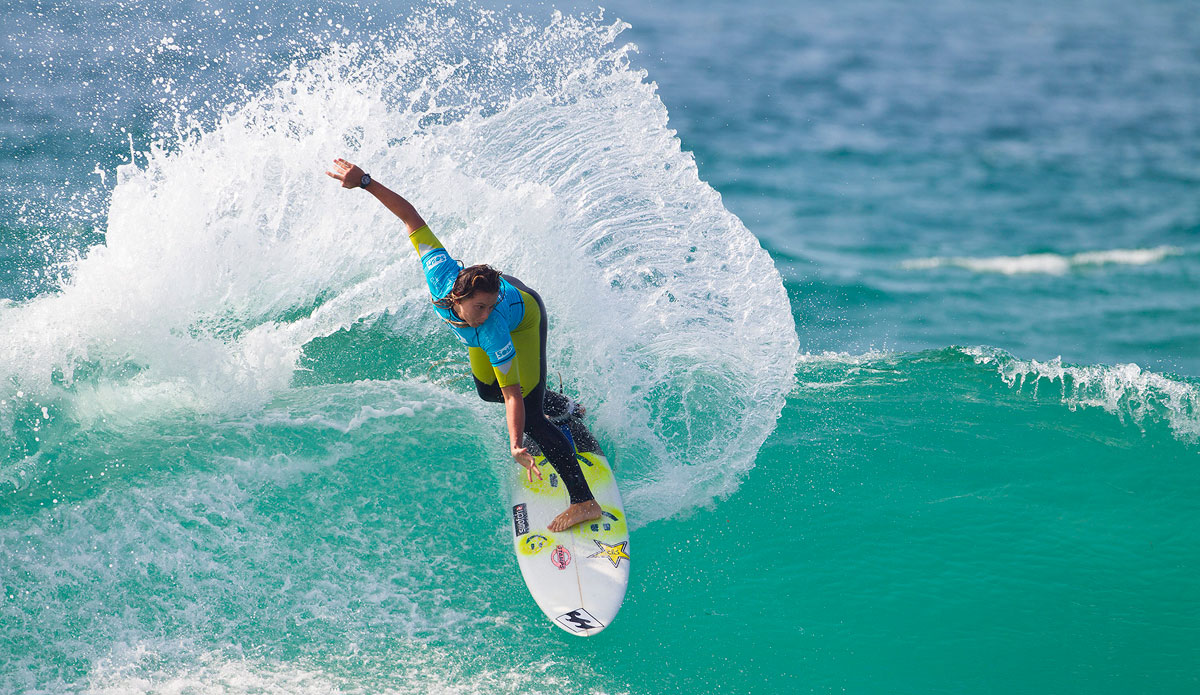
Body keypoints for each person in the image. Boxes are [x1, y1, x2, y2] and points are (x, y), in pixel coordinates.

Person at [325, 158, 603, 532]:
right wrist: (365, 182)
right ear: (457, 296)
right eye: (479, 307)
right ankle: (566, 406)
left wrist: (516, 442)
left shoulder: (494, 327)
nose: (485, 313)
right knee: (486, 391)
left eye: (488, 307)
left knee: (532, 417)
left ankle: (584, 502)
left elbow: (513, 396)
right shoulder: (440, 272)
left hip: (525, 316)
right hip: (484, 313)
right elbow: (410, 217)